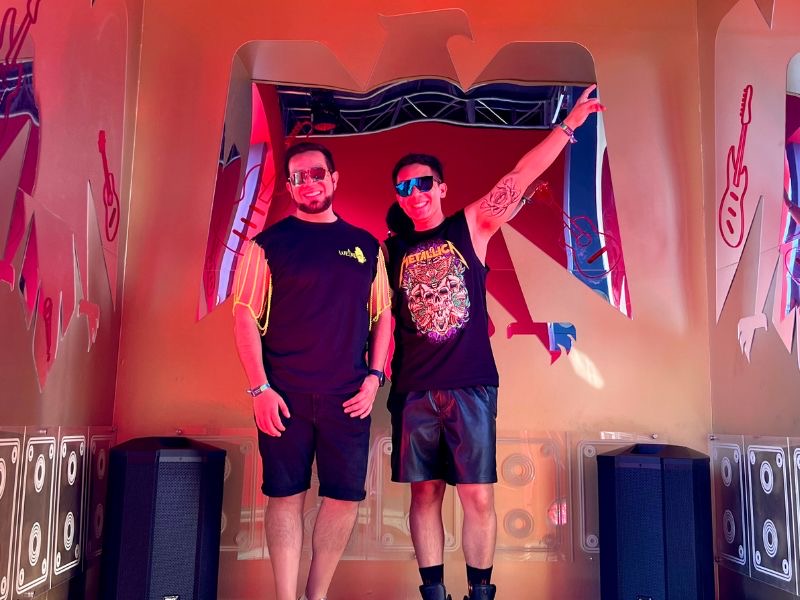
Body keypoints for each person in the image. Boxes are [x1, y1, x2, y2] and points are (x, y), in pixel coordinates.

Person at [384, 85, 605, 600]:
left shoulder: (471, 225)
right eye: (404, 186)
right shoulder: (389, 251)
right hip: (414, 388)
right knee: (424, 495)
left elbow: (519, 177)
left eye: (423, 183)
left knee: (478, 497)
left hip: (471, 385)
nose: (414, 192)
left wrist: (568, 126)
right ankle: (433, 593)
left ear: (441, 188)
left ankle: (480, 593)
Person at [232, 141, 391, 600]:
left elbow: (383, 316)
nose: (309, 183)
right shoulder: (266, 246)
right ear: (289, 186)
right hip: (283, 398)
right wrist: (259, 389)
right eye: (298, 177)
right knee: (284, 496)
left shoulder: (366, 246)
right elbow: (243, 316)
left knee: (343, 498)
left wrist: (374, 378)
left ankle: (315, 595)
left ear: (334, 179)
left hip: (349, 399)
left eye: (317, 174)